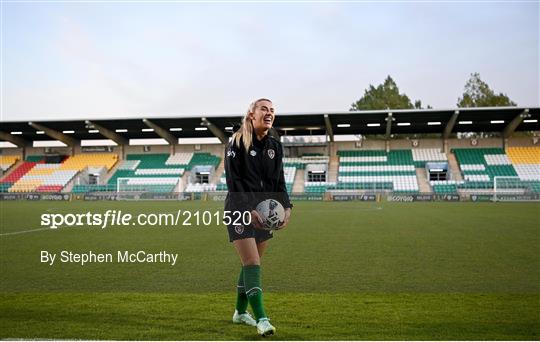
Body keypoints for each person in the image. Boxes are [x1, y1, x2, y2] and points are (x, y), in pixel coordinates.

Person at [224, 98, 292, 336]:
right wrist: (246, 209)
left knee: (249, 266)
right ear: (251, 114)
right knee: (252, 263)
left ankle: (240, 313)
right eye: (264, 108)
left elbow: (279, 181)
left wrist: (287, 206)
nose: (269, 113)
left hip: (265, 212)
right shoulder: (237, 141)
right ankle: (263, 319)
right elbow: (234, 181)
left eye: (272, 110)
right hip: (238, 209)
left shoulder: (275, 145)